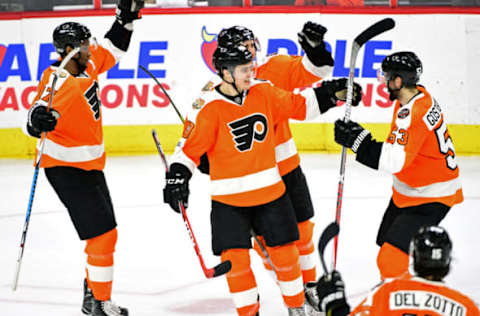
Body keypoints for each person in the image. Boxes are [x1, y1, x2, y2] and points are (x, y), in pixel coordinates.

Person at [163, 45, 361, 316]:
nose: (250, 72)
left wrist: (332, 93)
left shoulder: (264, 91)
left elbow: (301, 106)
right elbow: (188, 150)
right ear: (226, 72)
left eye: (251, 66)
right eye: (244, 69)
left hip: (271, 195)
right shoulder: (207, 107)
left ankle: (297, 310)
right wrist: (177, 176)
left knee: (287, 257)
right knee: (236, 264)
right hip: (228, 201)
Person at [22, 1, 143, 315]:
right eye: (84, 45)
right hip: (64, 167)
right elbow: (34, 112)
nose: (91, 49)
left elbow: (113, 49)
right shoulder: (56, 80)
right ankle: (100, 305)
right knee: (103, 236)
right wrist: (37, 122)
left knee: (105, 234)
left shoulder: (87, 64)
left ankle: (94, 299)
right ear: (67, 51)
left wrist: (126, 17)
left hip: (89, 165)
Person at [196, 23, 336, 287]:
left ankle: (308, 287)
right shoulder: (213, 92)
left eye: (251, 46)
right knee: (271, 243)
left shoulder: (273, 68)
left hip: (285, 167)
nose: (250, 52)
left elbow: (318, 71)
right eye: (242, 47)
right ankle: (288, 283)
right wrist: (206, 158)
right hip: (251, 179)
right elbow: (200, 136)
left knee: (304, 230)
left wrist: (315, 50)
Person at [333, 51, 463, 280]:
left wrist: (358, 141)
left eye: (386, 77)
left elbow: (395, 160)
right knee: (385, 241)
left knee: (389, 259)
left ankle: (400, 297)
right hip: (412, 190)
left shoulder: (413, 113)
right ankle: (398, 283)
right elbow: (402, 145)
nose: (383, 82)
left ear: (399, 81)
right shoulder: (417, 97)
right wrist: (360, 139)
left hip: (430, 196)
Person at [305, 225, 480, 316]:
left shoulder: (387, 293)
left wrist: (334, 306)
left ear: (414, 256)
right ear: (448, 261)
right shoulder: (467, 307)